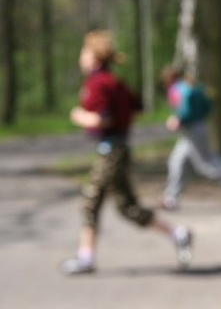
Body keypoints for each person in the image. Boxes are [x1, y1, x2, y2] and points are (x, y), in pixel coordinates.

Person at [61, 30, 193, 275]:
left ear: (94, 57)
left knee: (91, 202)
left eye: (84, 52)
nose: (81, 57)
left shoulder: (98, 82)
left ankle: (85, 258)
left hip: (111, 150)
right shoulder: (114, 81)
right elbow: (137, 106)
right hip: (118, 149)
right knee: (127, 208)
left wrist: (81, 117)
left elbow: (104, 118)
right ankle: (178, 234)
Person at [160, 66, 221, 210]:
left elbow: (184, 108)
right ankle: (170, 198)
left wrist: (179, 119)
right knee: (176, 161)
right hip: (196, 128)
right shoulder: (194, 86)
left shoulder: (177, 89)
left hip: (192, 129)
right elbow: (208, 105)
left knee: (205, 165)